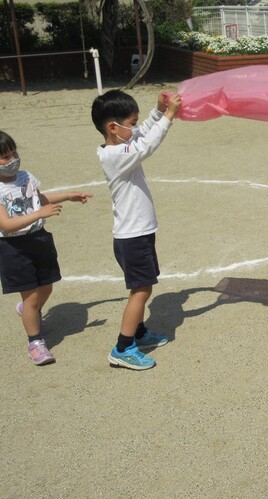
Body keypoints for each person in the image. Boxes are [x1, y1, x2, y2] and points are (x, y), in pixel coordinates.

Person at [91, 89, 182, 371]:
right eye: (131, 122)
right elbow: (147, 145)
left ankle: (140, 333)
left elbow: (140, 135)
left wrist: (156, 112)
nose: (135, 127)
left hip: (137, 233)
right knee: (141, 290)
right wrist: (168, 116)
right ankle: (123, 347)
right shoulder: (116, 156)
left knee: (144, 286)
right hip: (132, 237)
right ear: (112, 127)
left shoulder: (120, 145)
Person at [0, 130, 92, 365]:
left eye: (13, 153)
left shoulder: (26, 177)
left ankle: (27, 310)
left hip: (39, 239)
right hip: (13, 247)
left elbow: (39, 199)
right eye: (5, 157)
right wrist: (38, 214)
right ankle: (35, 341)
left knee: (47, 287)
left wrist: (68, 196)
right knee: (31, 297)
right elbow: (7, 225)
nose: (12, 160)